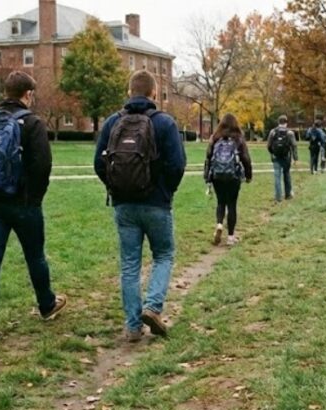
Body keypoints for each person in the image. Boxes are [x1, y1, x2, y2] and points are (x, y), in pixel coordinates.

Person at [0, 71, 66, 344]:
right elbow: (42, 166)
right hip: (24, 204)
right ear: (28, 94)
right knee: (35, 256)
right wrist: (33, 197)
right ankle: (47, 305)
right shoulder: (32, 123)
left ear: (5, 92)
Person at [94, 70, 186, 342]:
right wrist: (165, 191)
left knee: (130, 264)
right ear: (154, 93)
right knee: (164, 255)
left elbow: (99, 164)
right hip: (157, 203)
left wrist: (116, 188)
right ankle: (153, 306)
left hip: (124, 206)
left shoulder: (113, 123)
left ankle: (133, 326)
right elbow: (178, 165)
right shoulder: (165, 123)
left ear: (128, 92)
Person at [204, 113, 253, 247]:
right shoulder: (238, 138)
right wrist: (249, 175)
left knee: (221, 202)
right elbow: (246, 158)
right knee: (232, 204)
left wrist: (207, 176)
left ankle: (219, 224)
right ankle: (231, 237)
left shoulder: (215, 138)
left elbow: (208, 157)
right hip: (233, 176)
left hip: (217, 176)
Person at [266, 115, 298, 202]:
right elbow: (294, 146)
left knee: (277, 176)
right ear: (286, 122)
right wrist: (295, 158)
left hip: (276, 157)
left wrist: (272, 153)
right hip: (286, 157)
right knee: (287, 174)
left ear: (278, 122)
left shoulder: (273, 132)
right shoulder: (290, 133)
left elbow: (268, 145)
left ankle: (278, 196)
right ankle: (288, 194)